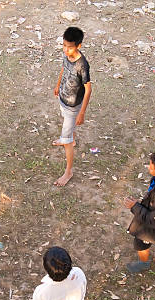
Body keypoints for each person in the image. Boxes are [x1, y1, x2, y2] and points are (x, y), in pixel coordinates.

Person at [52, 26, 92, 187]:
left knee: (66, 139)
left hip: (73, 107)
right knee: (68, 133)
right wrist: (57, 85)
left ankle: (68, 172)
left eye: (70, 47)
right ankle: (71, 139)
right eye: (64, 46)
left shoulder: (82, 65)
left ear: (78, 46)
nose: (66, 50)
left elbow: (88, 89)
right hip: (63, 98)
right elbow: (63, 68)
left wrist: (82, 112)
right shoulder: (66, 55)